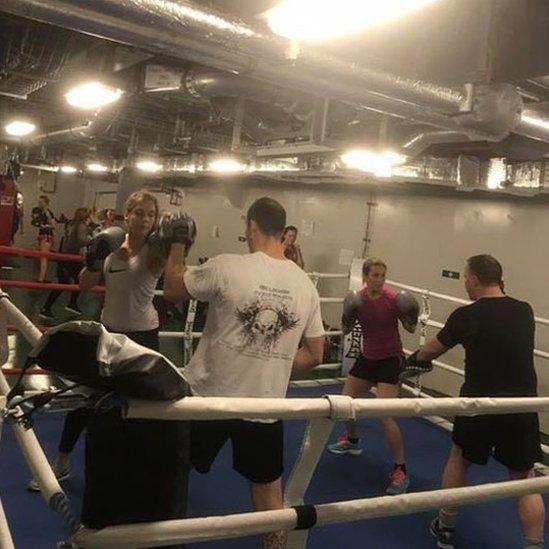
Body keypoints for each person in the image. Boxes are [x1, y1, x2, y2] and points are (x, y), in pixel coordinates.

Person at [162, 196, 325, 549]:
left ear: (251, 226)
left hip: (208, 400)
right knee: (269, 492)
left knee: (171, 473)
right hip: (265, 407)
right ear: (283, 233)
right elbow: (315, 354)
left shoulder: (227, 265)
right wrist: (274, 363)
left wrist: (177, 245)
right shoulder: (306, 286)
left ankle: (157, 540)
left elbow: (173, 290)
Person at [407, 254, 544, 549]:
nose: (465, 283)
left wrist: (410, 362)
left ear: (475, 279)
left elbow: (431, 350)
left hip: (478, 405)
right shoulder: (524, 311)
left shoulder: (466, 315)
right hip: (519, 406)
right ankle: (533, 545)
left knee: (459, 458)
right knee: (525, 479)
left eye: (466, 277)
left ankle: (445, 528)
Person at [74, 190, 188, 531]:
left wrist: (176, 243)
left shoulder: (154, 250)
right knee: (90, 398)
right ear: (127, 214)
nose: (144, 219)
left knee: (140, 407)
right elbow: (85, 285)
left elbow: (156, 276)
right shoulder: (108, 243)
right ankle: (63, 459)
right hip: (109, 332)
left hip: (142, 337)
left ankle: (135, 475)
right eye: (138, 213)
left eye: (150, 215)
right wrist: (93, 261)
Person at [327, 258, 418, 495]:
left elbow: (410, 328)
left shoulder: (393, 300)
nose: (379, 280)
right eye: (375, 275)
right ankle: (353, 440)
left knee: (384, 415)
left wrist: (412, 313)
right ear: (365, 276)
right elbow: (346, 330)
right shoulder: (358, 299)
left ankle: (401, 470)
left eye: (382, 276)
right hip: (368, 358)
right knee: (346, 403)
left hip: (390, 359)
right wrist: (347, 314)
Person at [39, 207, 92, 319]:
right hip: (71, 257)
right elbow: (82, 240)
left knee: (77, 280)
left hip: (68, 255)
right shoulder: (81, 225)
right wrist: (93, 239)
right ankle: (46, 308)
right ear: (86, 216)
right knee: (66, 282)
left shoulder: (72, 224)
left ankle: (71, 303)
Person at [31, 195, 57, 282]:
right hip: (42, 236)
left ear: (46, 203)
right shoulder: (40, 212)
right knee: (38, 257)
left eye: (41, 202)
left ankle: (41, 280)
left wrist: (44, 226)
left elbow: (54, 226)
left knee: (43, 257)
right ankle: (43, 277)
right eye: (39, 202)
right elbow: (35, 221)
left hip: (47, 237)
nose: (39, 204)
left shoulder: (48, 213)